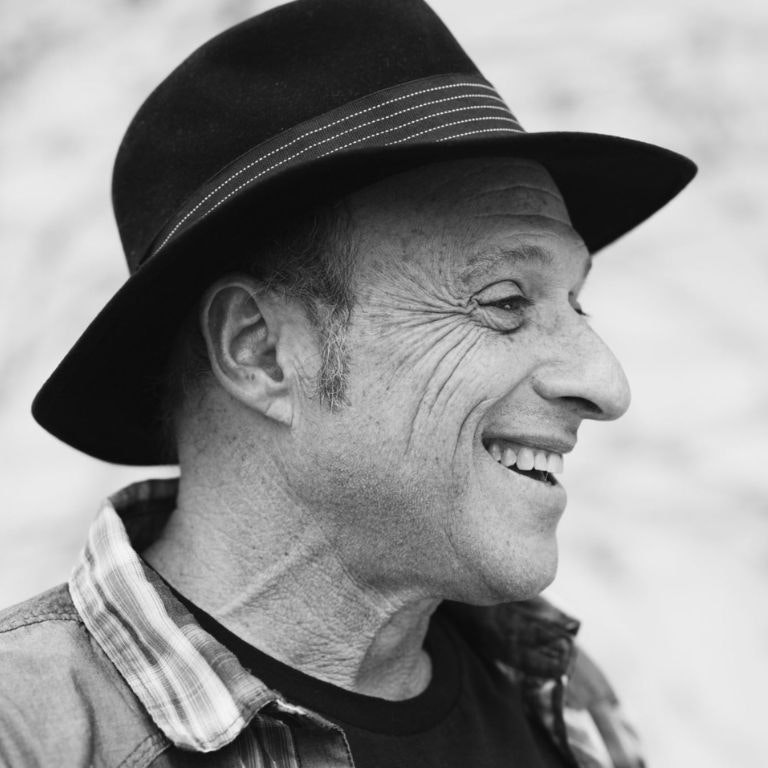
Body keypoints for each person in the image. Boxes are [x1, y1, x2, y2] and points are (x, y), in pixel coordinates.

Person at [0, 0, 696, 766]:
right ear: (261, 351)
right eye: (505, 301)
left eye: (577, 302)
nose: (605, 384)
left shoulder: (563, 697)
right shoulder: (27, 735)